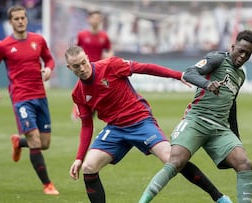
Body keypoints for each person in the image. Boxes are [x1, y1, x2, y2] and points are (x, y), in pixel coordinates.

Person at [65, 45, 232, 203]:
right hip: (115, 129)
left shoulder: (110, 65)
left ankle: (218, 197)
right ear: (69, 68)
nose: (82, 68)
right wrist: (79, 158)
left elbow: (145, 68)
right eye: (76, 66)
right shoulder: (78, 93)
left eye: (83, 63)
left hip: (140, 121)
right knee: (88, 167)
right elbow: (86, 125)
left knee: (173, 159)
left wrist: (178, 75)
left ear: (87, 58)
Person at [139, 29, 252, 203]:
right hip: (197, 120)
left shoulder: (240, 75)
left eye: (248, 54)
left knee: (244, 163)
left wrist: (236, 139)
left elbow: (232, 105)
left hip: (219, 129)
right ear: (232, 46)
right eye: (241, 51)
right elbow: (189, 73)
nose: (243, 56)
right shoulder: (217, 58)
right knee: (176, 162)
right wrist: (207, 84)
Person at [0, 5, 59, 195]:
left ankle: (18, 142)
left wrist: (49, 69)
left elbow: (49, 60)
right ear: (10, 22)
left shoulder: (38, 40)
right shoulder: (3, 46)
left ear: (27, 19)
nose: (20, 21)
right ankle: (47, 185)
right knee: (34, 140)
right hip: (21, 98)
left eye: (23, 18)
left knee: (45, 143)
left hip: (40, 96)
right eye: (16, 19)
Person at [71, 10, 114, 121]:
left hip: (98, 70)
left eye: (98, 18)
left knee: (101, 91)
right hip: (84, 69)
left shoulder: (104, 36)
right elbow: (75, 50)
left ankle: (100, 114)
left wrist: (108, 61)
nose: (95, 20)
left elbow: (109, 51)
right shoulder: (82, 35)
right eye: (93, 18)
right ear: (89, 19)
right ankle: (78, 111)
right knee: (82, 91)